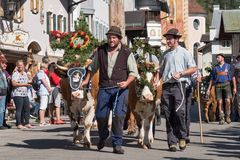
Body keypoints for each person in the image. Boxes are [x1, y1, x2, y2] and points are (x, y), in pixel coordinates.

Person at [81, 26, 138, 154]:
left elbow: (134, 73)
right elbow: (92, 68)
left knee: (118, 116)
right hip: (104, 88)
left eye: (114, 37)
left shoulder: (126, 52)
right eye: (109, 37)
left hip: (120, 89)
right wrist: (86, 80)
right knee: (101, 116)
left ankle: (117, 144)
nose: (111, 40)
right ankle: (103, 135)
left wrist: (126, 83)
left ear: (119, 39)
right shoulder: (100, 50)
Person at [159, 28, 197, 152]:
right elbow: (161, 71)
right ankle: (172, 142)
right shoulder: (164, 54)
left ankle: (182, 136)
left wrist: (181, 73)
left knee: (179, 112)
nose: (168, 41)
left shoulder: (184, 52)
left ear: (177, 39)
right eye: (167, 39)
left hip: (179, 85)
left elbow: (193, 68)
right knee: (168, 114)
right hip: (166, 86)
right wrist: (156, 80)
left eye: (170, 38)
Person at [207, 54, 236, 125]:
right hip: (218, 85)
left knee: (228, 101)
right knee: (219, 102)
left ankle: (228, 116)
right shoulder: (215, 68)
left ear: (222, 58)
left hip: (227, 84)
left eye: (218, 57)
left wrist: (235, 87)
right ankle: (221, 117)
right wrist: (208, 88)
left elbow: (233, 77)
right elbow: (212, 79)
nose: (217, 59)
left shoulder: (229, 66)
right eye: (216, 58)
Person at [11, 60, 32, 129]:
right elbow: (14, 84)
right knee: (19, 110)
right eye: (19, 65)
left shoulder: (25, 74)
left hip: (25, 94)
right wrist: (25, 84)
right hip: (17, 94)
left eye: (21, 65)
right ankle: (18, 124)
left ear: (23, 66)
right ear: (17, 66)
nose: (20, 66)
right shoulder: (15, 74)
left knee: (27, 109)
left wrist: (30, 79)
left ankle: (27, 123)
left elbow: (29, 82)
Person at [0, 56, 8, 129]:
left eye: (5, 63)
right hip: (1, 92)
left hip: (4, 92)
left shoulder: (3, 72)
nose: (5, 65)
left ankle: (2, 123)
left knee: (2, 109)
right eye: (3, 63)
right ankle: (0, 124)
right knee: (1, 108)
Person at [233, 55, 240, 120]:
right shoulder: (236, 66)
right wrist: (234, 87)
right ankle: (236, 114)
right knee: (237, 101)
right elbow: (234, 77)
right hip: (238, 85)